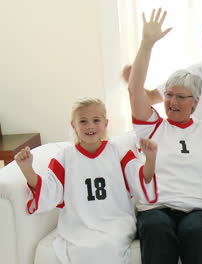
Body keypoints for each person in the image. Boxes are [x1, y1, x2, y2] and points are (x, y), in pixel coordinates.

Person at [127, 8, 202, 264]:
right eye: (169, 95)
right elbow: (134, 89)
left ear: (194, 102)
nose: (171, 101)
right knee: (156, 227)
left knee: (197, 230)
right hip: (156, 209)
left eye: (180, 97)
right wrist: (147, 44)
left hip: (198, 210)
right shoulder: (152, 126)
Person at [14, 97, 158, 264]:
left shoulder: (119, 152)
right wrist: (27, 168)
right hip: (78, 223)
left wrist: (150, 159)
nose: (90, 126)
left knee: (108, 245)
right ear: (73, 125)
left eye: (96, 120)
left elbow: (142, 180)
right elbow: (48, 190)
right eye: (83, 121)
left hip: (115, 221)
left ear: (105, 123)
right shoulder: (65, 156)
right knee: (83, 248)